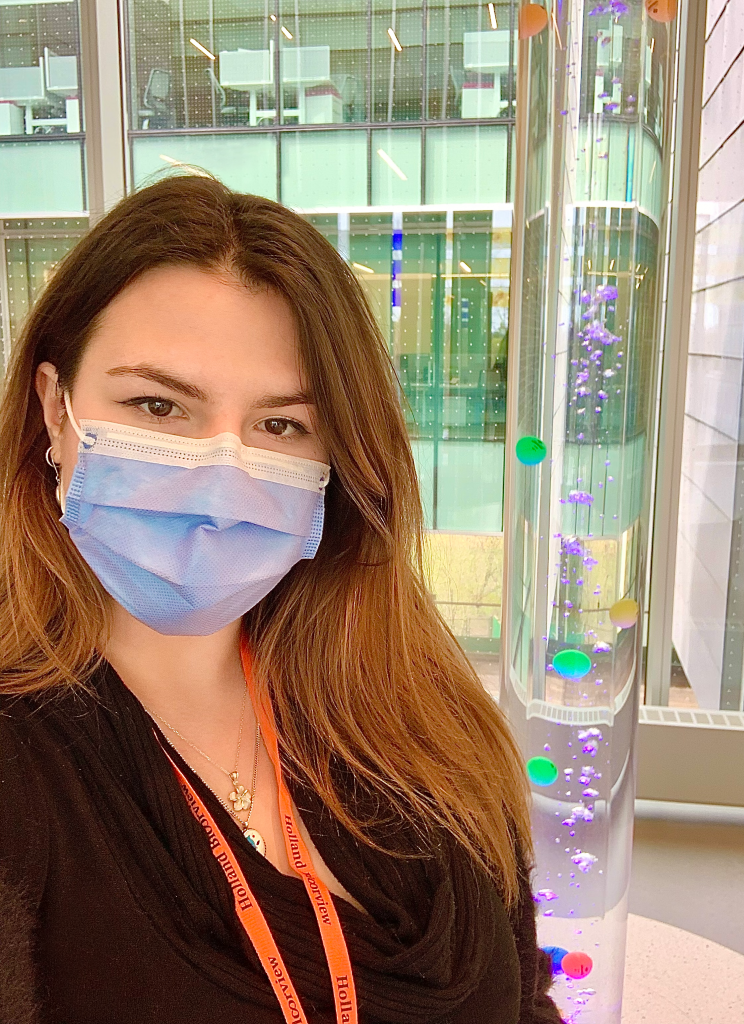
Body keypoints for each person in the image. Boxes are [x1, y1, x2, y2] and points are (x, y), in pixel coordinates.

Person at [0, 175, 564, 1024]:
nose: (222, 477)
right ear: (54, 407)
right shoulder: (24, 775)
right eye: (158, 405)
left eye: (281, 426)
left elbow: (521, 1000)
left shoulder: (415, 700)